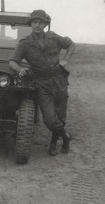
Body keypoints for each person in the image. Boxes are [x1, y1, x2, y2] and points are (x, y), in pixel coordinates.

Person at [9, 9, 76, 156]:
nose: (37, 25)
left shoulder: (53, 37)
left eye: (40, 22)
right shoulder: (25, 43)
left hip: (59, 81)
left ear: (45, 24)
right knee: (50, 120)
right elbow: (13, 62)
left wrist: (65, 60)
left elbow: (71, 44)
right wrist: (20, 69)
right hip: (42, 83)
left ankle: (53, 144)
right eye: (34, 22)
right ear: (31, 24)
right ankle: (66, 136)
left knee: (60, 116)